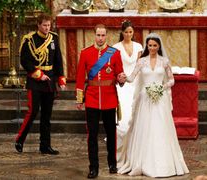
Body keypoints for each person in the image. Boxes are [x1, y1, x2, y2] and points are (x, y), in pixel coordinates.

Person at [117, 33, 190, 177]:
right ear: (147, 46)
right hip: (145, 99)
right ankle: (142, 161)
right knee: (145, 128)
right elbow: (132, 78)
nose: (152, 48)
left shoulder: (164, 62)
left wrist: (161, 88)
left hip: (159, 99)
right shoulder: (141, 61)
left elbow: (172, 80)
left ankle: (164, 163)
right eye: (149, 45)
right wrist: (123, 78)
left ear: (159, 46)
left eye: (154, 45)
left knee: (160, 128)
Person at [75, 24, 126, 179]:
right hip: (91, 99)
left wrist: (122, 79)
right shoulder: (85, 53)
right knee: (92, 136)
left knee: (111, 134)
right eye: (98, 35)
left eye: (103, 35)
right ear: (94, 35)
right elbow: (79, 78)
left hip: (109, 98)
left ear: (107, 36)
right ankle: (93, 167)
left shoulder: (115, 53)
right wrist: (79, 99)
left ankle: (112, 164)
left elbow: (119, 75)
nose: (100, 38)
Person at [15, 13, 66, 155]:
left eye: (49, 25)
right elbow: (25, 61)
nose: (47, 28)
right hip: (35, 81)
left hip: (49, 81)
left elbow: (58, 59)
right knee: (33, 112)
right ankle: (20, 140)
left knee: (47, 115)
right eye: (44, 25)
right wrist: (38, 74)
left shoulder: (54, 38)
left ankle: (45, 145)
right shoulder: (29, 40)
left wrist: (60, 77)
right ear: (38, 25)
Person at [113, 20, 143, 134]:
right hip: (122, 81)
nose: (128, 34)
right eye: (126, 32)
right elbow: (115, 65)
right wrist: (120, 77)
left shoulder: (138, 46)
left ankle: (137, 132)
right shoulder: (116, 47)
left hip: (136, 79)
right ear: (122, 32)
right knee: (124, 106)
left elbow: (139, 65)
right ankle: (122, 132)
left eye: (130, 32)